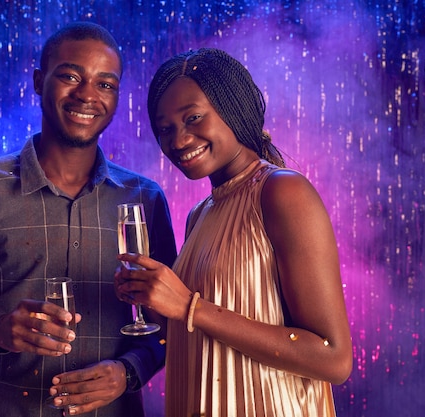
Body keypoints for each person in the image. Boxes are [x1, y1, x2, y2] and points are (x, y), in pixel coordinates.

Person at [0, 22, 176, 417]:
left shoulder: (145, 199)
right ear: (39, 82)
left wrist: (128, 372)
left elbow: (170, 326)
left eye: (105, 84)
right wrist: (0, 330)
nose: (87, 94)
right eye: (71, 76)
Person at [115, 48, 352, 416]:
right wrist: (156, 303)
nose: (178, 141)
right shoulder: (200, 214)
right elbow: (203, 329)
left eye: (193, 118)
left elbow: (333, 359)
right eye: (165, 129)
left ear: (233, 107)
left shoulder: (282, 192)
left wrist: (188, 306)